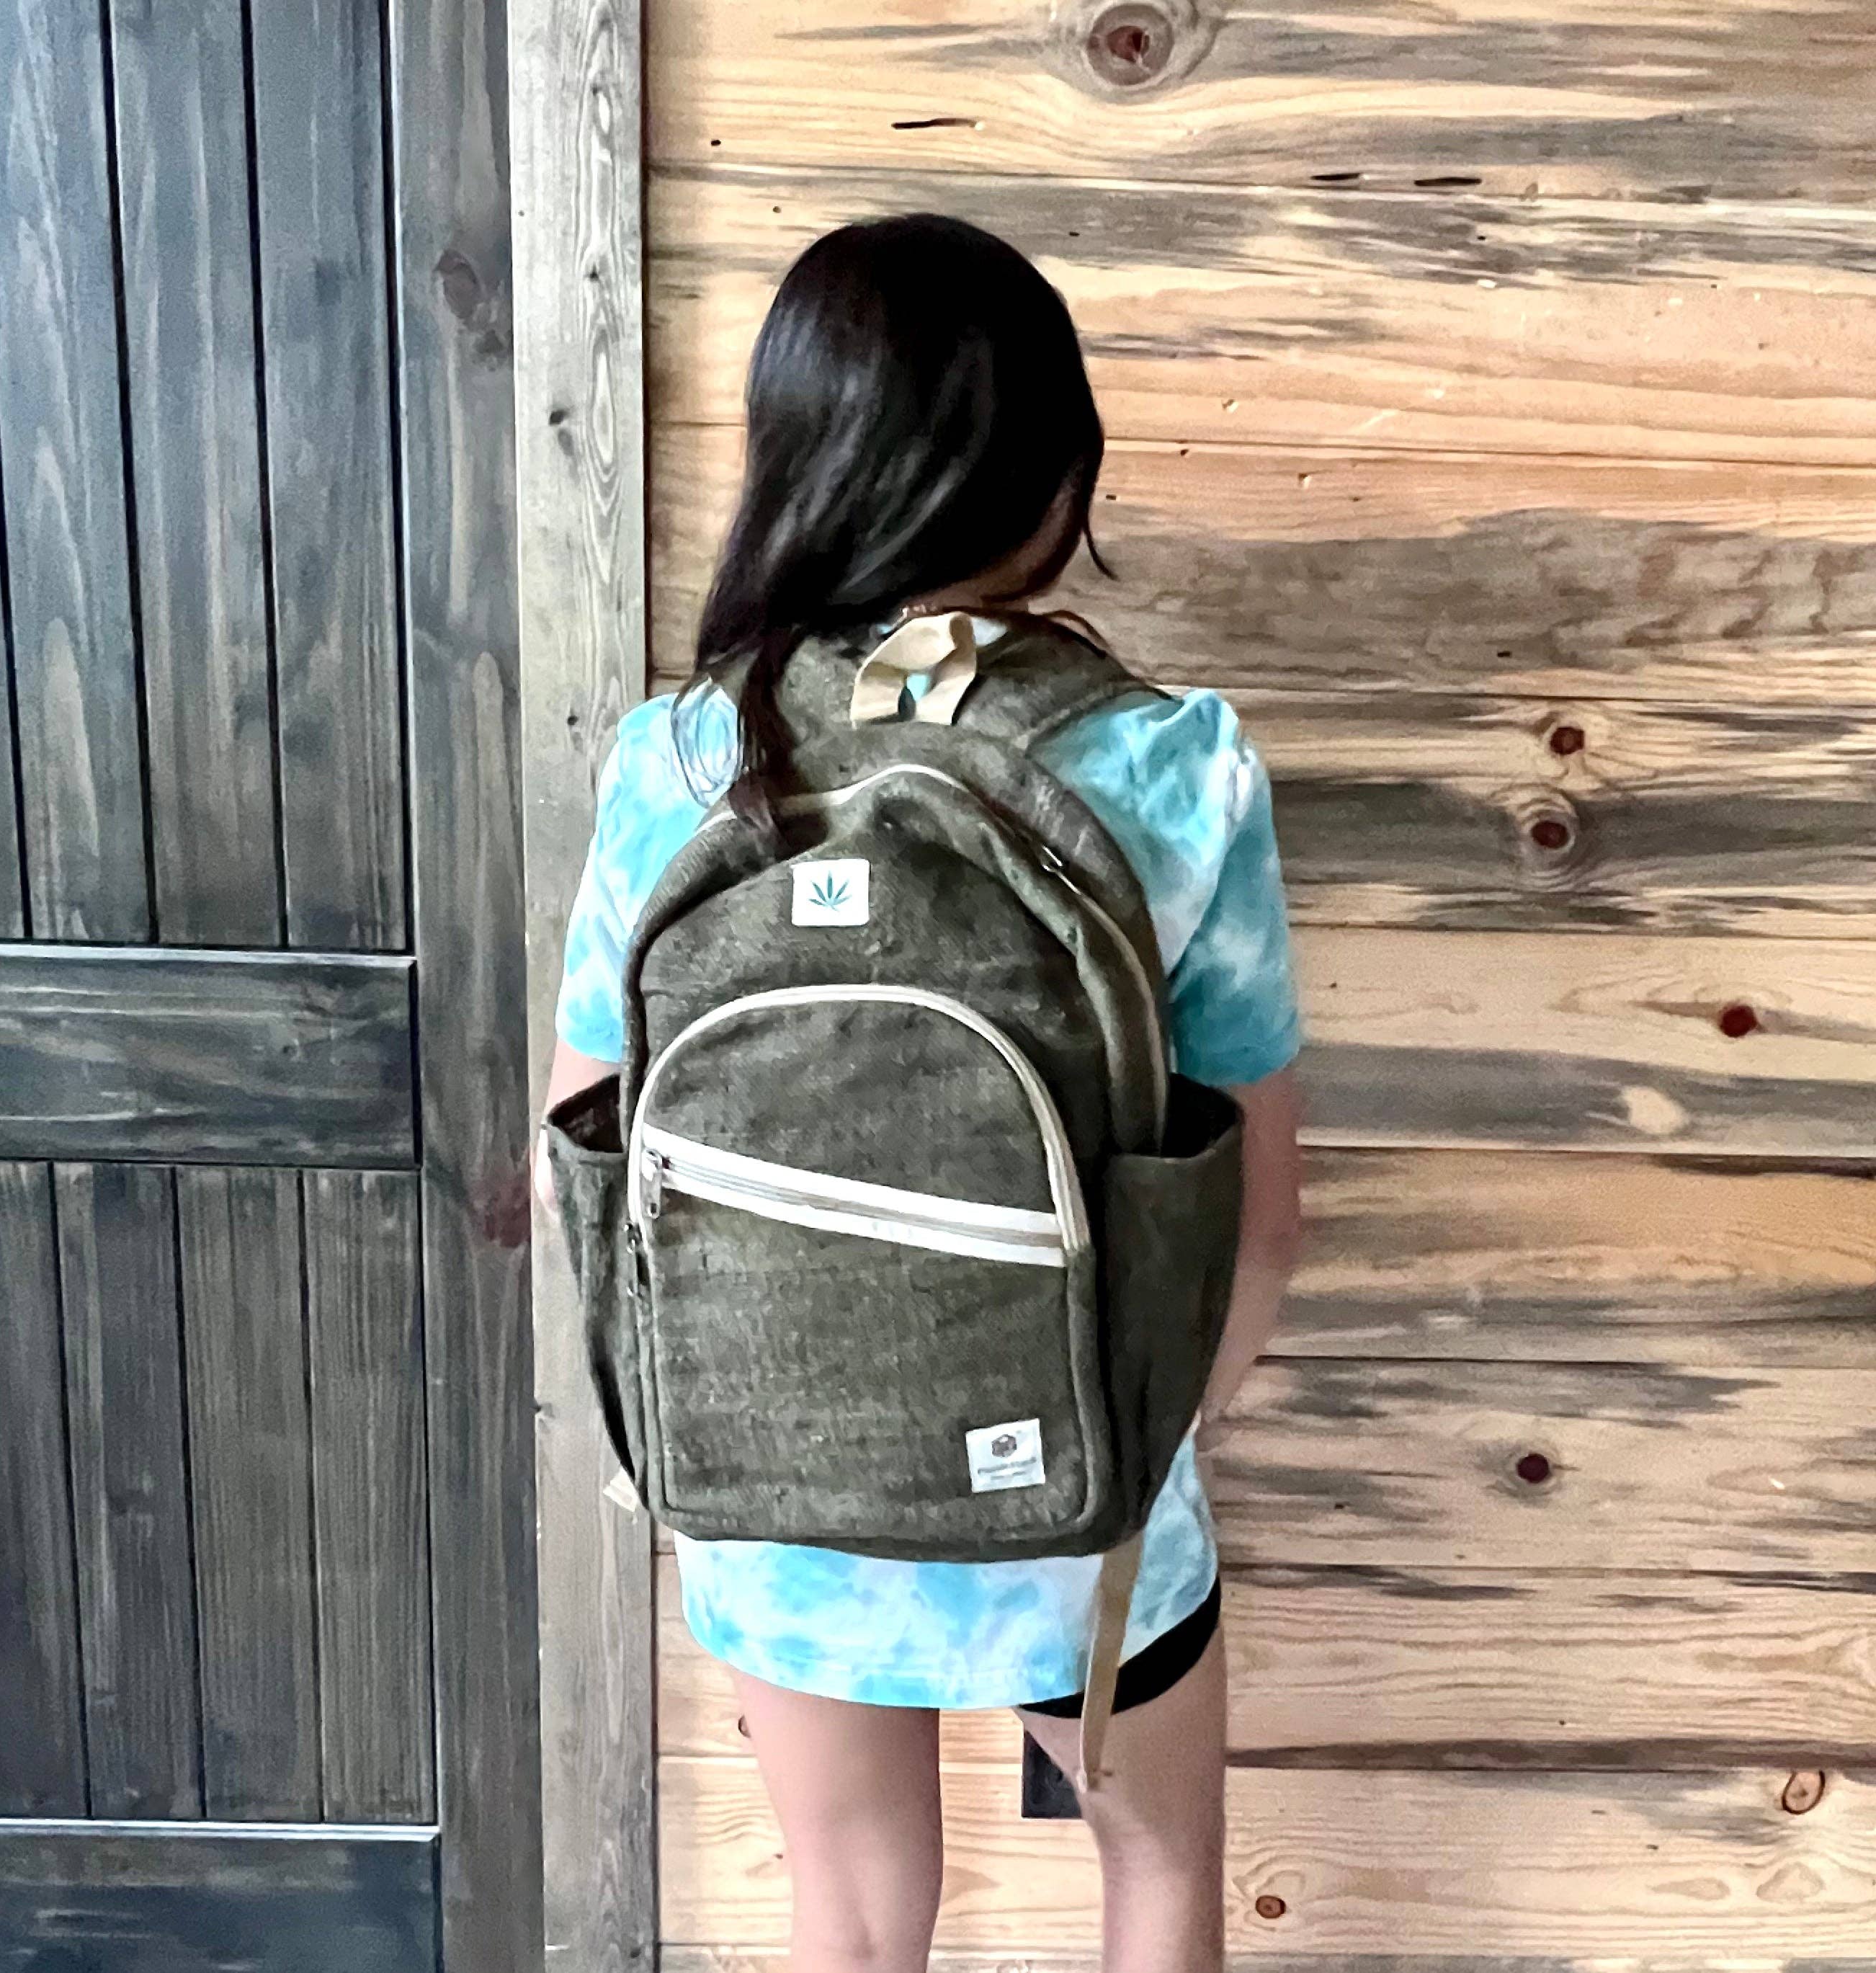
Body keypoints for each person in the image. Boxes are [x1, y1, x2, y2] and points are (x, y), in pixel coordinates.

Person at [540, 214, 1302, 1973]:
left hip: (773, 1489)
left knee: (855, 1921)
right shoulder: (1172, 766)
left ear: (797, 465)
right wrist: (1144, 1434)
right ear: (1056, 476)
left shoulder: (676, 762)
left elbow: (587, 1149)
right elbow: (1260, 1227)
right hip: (1084, 1492)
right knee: (1160, 1872)